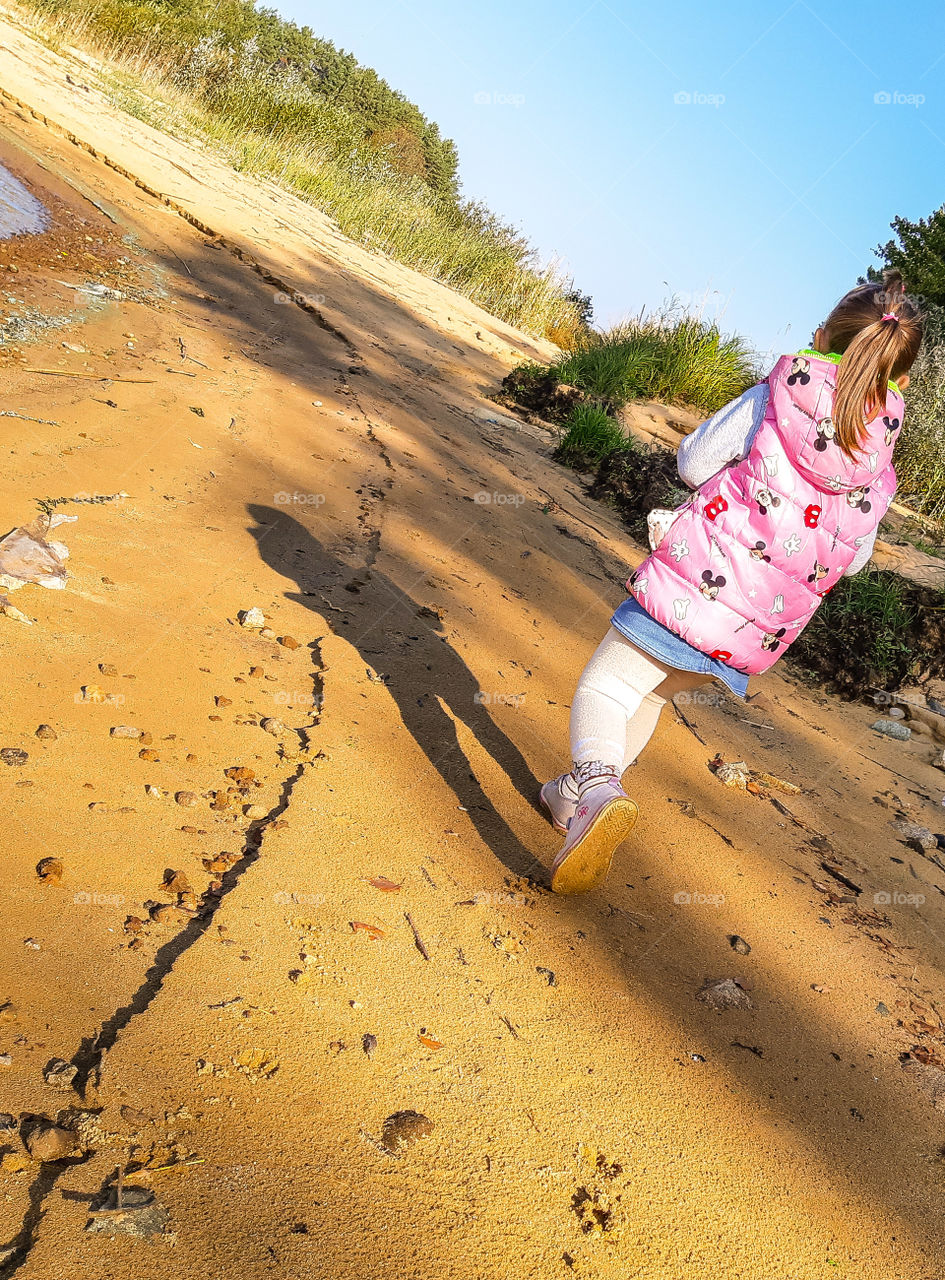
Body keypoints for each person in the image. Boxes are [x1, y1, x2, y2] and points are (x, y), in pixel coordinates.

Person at [543, 271, 923, 895]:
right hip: (753, 629)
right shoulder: (880, 465)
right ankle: (573, 797)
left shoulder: (777, 395)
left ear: (821, 336)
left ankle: (593, 790)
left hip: (694, 580)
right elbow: (852, 560)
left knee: (609, 684)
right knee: (652, 697)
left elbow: (692, 462)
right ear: (899, 381)